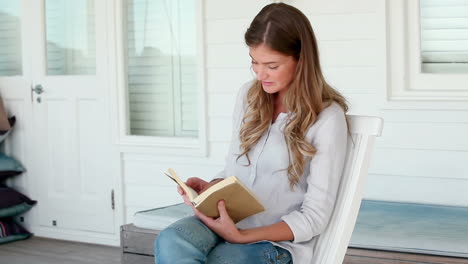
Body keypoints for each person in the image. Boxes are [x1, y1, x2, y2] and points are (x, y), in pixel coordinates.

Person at [155, 3, 348, 264]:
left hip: (275, 244)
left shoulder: (327, 118)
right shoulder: (249, 96)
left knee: (222, 259)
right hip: (224, 224)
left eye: (272, 65)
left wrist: (241, 236)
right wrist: (211, 188)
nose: (260, 74)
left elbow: (314, 217)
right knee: (170, 241)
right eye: (254, 62)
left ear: (301, 60)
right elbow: (234, 172)